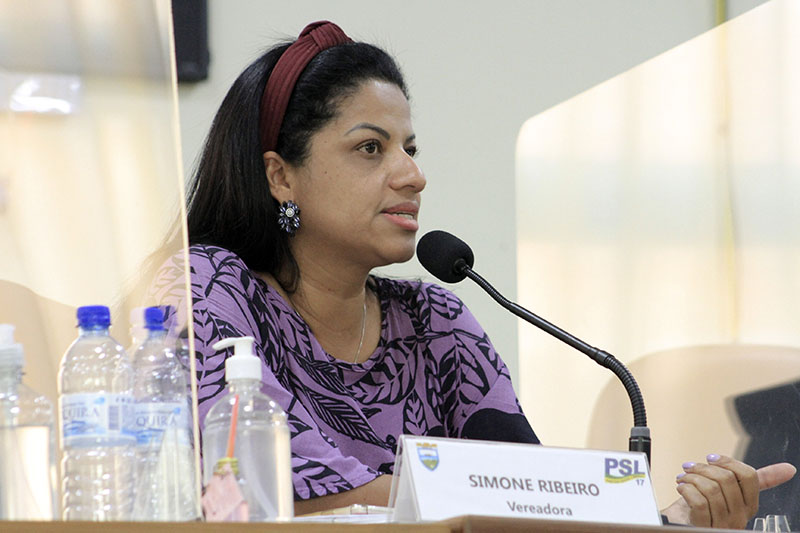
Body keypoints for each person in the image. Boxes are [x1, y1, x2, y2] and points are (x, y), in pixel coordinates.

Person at [153, 20, 795, 525]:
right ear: (280, 176)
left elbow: (537, 501)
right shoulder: (208, 288)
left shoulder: (435, 321)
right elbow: (277, 486)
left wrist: (671, 522)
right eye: (371, 148)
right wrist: (503, 502)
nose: (412, 175)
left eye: (410, 149)